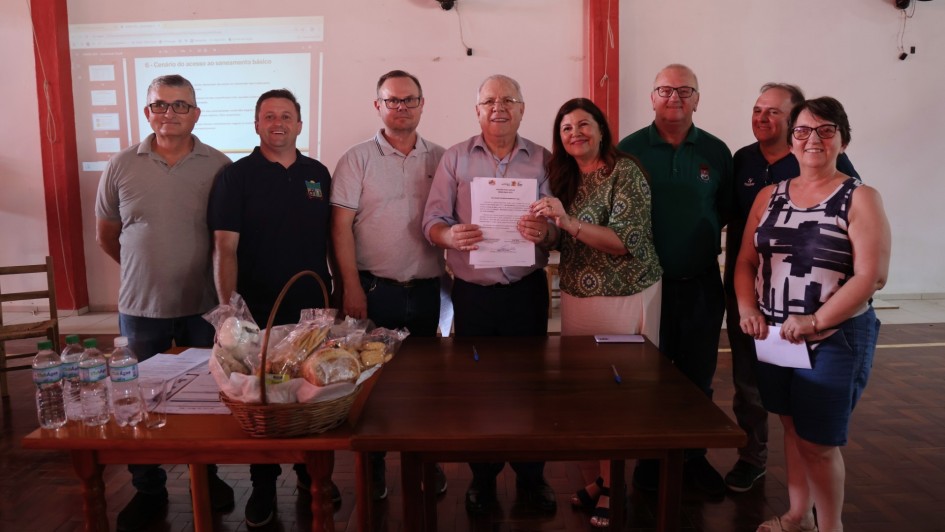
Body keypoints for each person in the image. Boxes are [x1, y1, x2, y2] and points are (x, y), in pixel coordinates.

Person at [734, 97, 889, 532]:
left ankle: (830, 527)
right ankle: (798, 516)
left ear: (842, 138)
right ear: (791, 139)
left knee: (819, 443)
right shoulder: (770, 194)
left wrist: (816, 321)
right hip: (776, 337)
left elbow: (871, 276)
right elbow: (746, 261)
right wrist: (748, 308)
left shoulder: (859, 196)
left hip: (831, 339)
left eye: (824, 130)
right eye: (802, 131)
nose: (812, 140)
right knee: (792, 429)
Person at [94, 74, 234, 531]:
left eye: (180, 106)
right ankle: (148, 488)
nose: (168, 113)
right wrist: (147, 268)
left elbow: (229, 238)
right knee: (138, 400)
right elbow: (108, 237)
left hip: (202, 304)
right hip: (140, 308)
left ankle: (207, 478)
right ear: (147, 111)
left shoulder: (218, 165)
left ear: (196, 113)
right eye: (160, 105)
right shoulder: (119, 165)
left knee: (208, 397)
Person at [421, 74, 557, 515]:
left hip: (526, 292)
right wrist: (450, 235)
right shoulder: (455, 159)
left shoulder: (543, 160)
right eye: (489, 101)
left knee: (529, 388)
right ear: (477, 110)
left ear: (522, 108)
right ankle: (482, 479)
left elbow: (559, 224)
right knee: (476, 388)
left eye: (509, 100)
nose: (499, 108)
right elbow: (432, 221)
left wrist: (548, 231)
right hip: (474, 296)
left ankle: (532, 479)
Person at [723, 83, 860, 493]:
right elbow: (738, 236)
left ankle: (818, 507)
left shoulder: (843, 177)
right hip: (757, 302)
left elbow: (858, 256)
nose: (763, 119)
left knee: (813, 419)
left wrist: (822, 313)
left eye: (775, 113)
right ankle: (754, 460)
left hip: (820, 317)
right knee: (755, 387)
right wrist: (746, 302)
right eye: (757, 110)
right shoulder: (744, 161)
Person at [532, 98, 662, 527]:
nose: (575, 134)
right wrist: (542, 231)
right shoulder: (565, 176)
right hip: (578, 299)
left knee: (617, 397)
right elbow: (563, 239)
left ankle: (613, 486)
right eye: (566, 129)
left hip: (623, 296)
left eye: (583, 125)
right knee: (589, 396)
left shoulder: (625, 173)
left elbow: (623, 242)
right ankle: (602, 479)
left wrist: (565, 223)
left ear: (602, 129)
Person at [208, 89, 335, 528]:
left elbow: (332, 240)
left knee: (312, 390)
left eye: (286, 115)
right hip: (256, 309)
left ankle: (309, 475)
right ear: (256, 124)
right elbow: (225, 247)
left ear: (300, 124)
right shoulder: (235, 176)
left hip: (311, 308)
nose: (277, 122)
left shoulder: (317, 173)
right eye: (268, 116)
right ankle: (263, 486)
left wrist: (336, 300)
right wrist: (229, 312)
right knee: (259, 400)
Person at [330, 69, 448, 499]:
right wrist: (350, 288)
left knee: (425, 385)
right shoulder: (356, 159)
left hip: (426, 291)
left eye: (409, 100)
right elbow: (340, 229)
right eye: (392, 100)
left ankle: (423, 463)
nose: (401, 107)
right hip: (373, 290)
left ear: (422, 104)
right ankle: (374, 468)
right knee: (370, 386)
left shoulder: (441, 158)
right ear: (377, 106)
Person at [616, 64, 732, 497]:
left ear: (698, 99)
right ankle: (650, 462)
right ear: (652, 97)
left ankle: (692, 460)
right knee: (650, 378)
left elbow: (723, 210)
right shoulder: (629, 149)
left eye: (685, 91)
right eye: (665, 89)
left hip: (700, 282)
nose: (675, 98)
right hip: (645, 286)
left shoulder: (717, 151)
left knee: (698, 375)